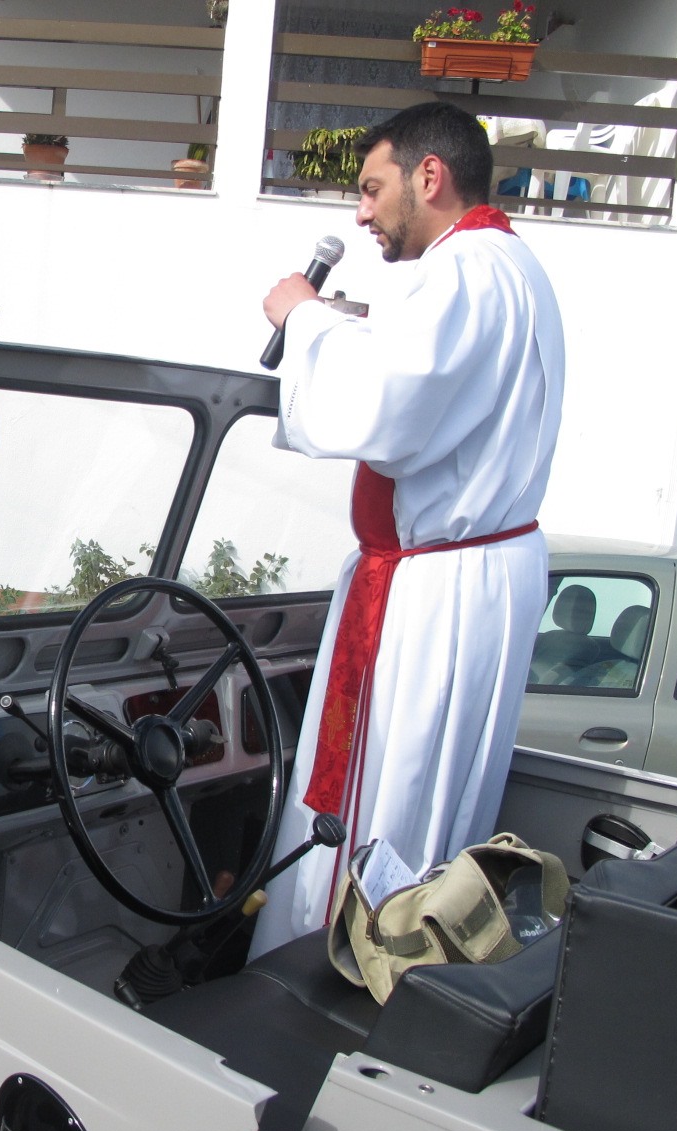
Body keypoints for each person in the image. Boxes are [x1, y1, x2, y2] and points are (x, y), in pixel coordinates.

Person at [247, 101, 565, 958]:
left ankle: (333, 960)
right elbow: (432, 391)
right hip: (481, 579)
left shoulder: (457, 273)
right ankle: (411, 953)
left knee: (385, 797)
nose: (360, 213)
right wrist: (364, 332)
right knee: (437, 797)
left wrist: (303, 319)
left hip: (431, 592)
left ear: (431, 177)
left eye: (371, 188)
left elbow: (385, 410)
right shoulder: (516, 270)